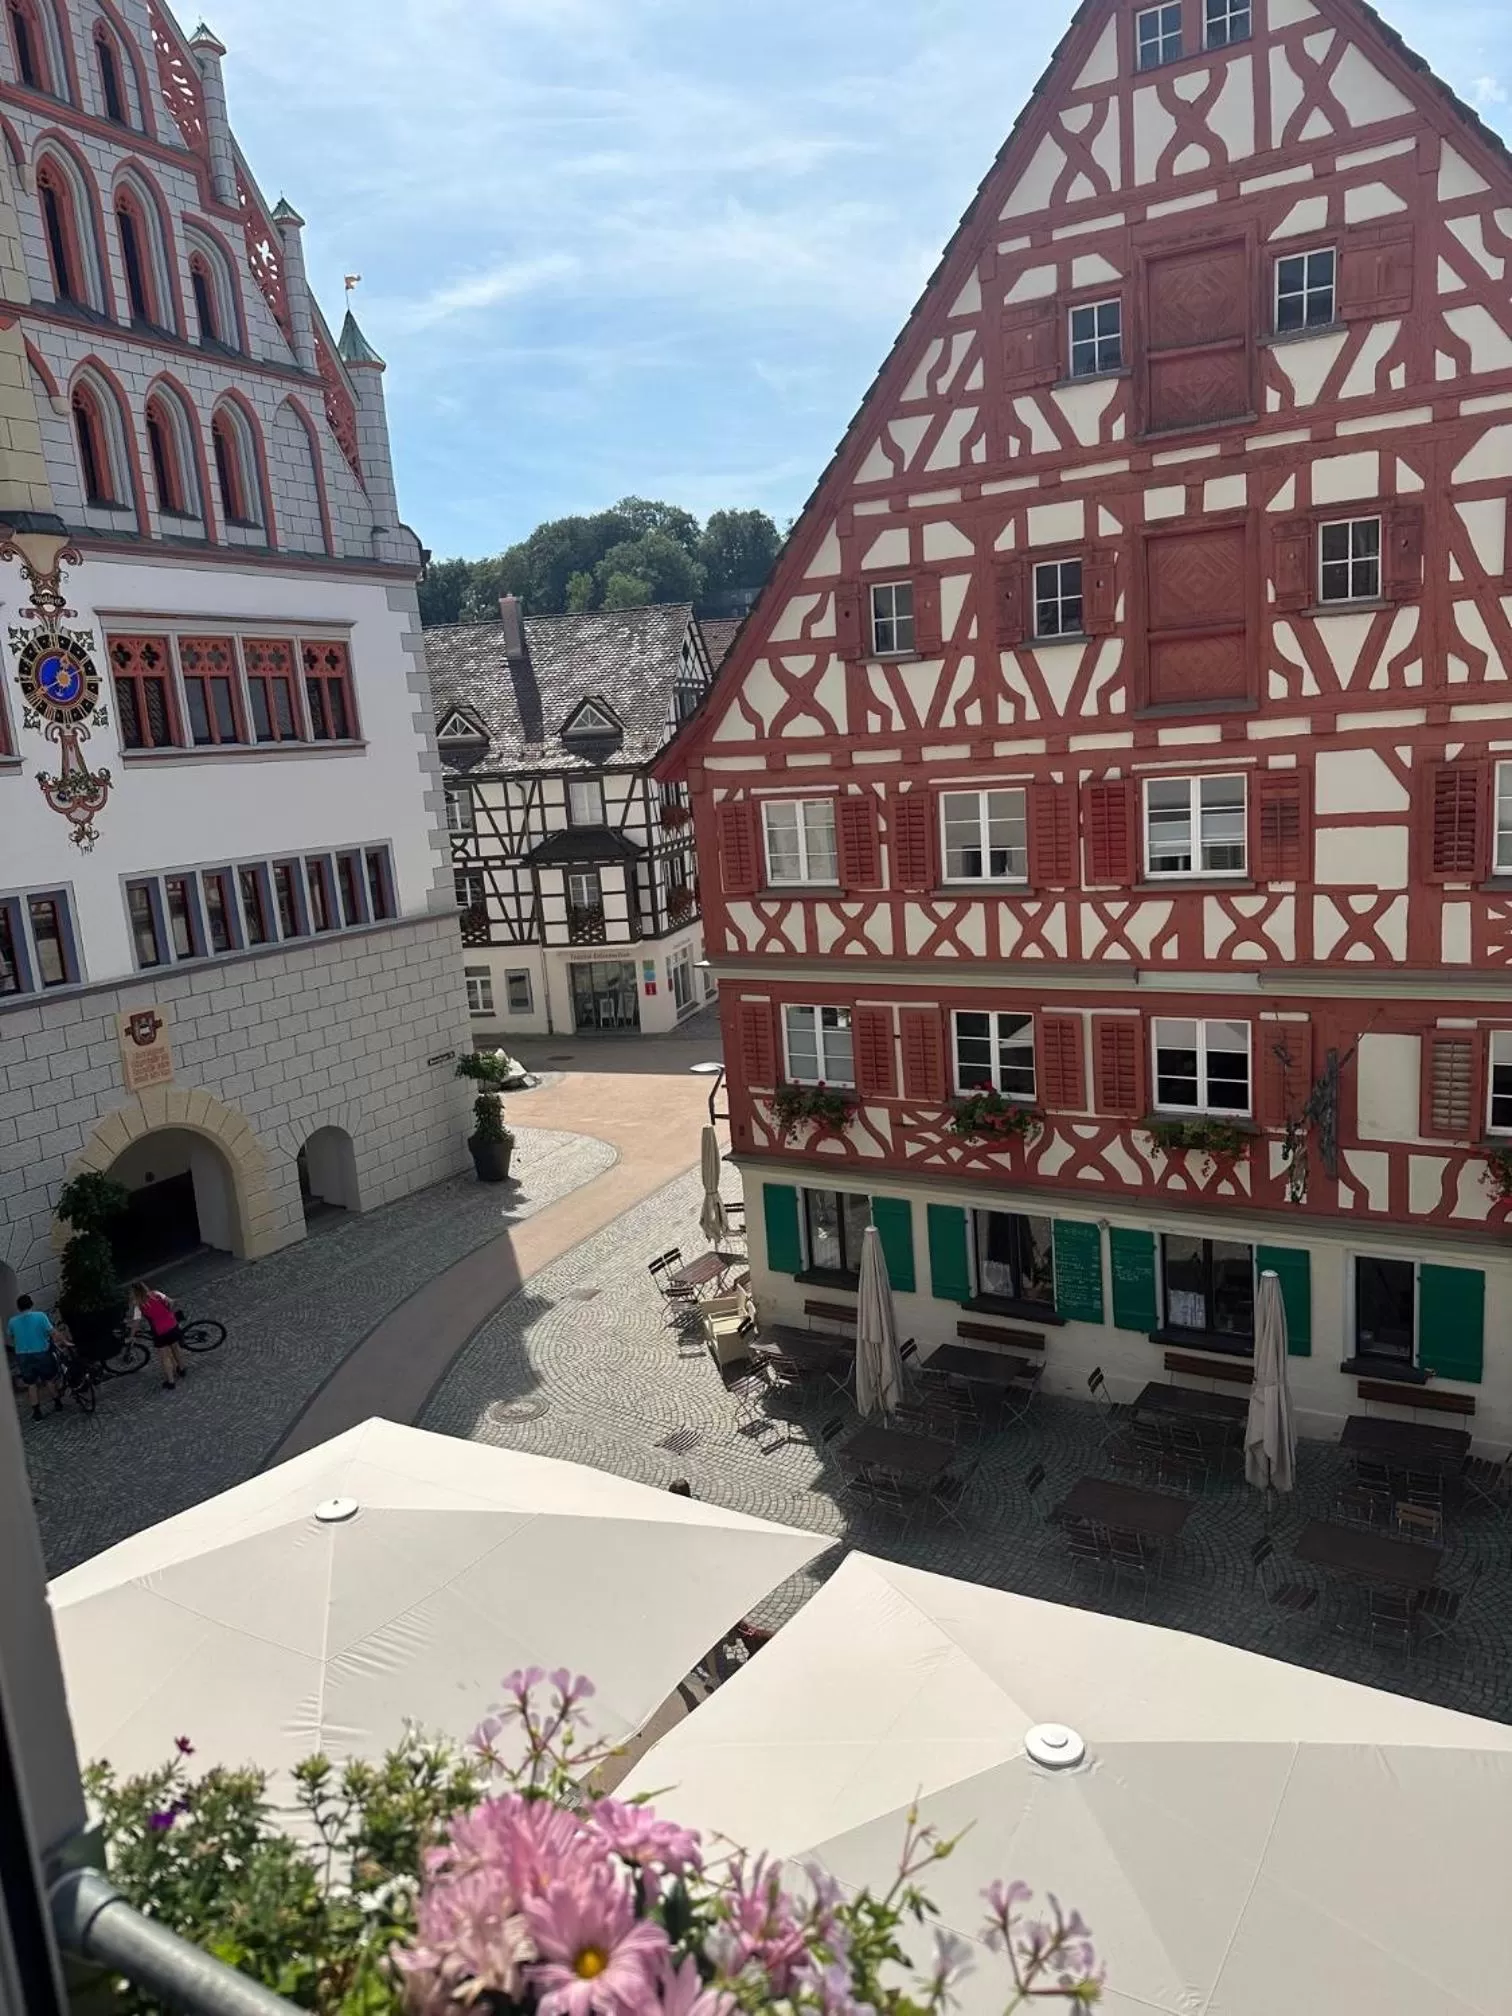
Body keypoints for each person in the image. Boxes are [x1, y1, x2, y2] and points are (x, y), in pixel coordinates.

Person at [7, 1296, 62, 1422]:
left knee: (31, 1384)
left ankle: (37, 1412)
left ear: (18, 1307)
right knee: (49, 1380)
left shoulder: (12, 1321)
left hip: (23, 1355)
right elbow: (52, 1332)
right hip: (41, 1352)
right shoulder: (40, 1316)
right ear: (31, 1304)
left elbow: (11, 1336)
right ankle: (57, 1403)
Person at [130, 1281, 187, 1390]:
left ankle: (171, 1382)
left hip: (160, 1331)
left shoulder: (139, 1305)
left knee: (164, 1357)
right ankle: (182, 1369)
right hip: (172, 1325)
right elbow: (170, 1302)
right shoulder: (156, 1294)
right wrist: (168, 1311)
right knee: (176, 1348)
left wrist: (132, 1335)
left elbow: (136, 1323)